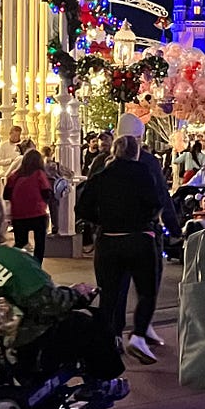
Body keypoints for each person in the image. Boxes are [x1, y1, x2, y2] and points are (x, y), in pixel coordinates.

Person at [0, 194, 125, 395]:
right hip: (19, 345)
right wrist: (76, 294)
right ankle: (103, 383)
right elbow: (47, 302)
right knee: (90, 322)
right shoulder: (12, 260)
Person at [77, 133, 180, 362]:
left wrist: (102, 220)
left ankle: (108, 341)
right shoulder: (143, 172)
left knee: (109, 295)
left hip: (109, 240)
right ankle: (139, 335)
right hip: (139, 239)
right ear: (136, 152)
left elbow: (82, 208)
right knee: (147, 291)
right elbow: (156, 202)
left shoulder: (102, 175)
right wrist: (147, 220)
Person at [5, 147, 55, 263]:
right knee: (40, 244)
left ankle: (15, 264)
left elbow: (6, 195)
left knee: (20, 243)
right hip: (37, 213)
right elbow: (46, 192)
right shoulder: (39, 174)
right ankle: (37, 266)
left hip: (18, 215)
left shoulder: (15, 175)